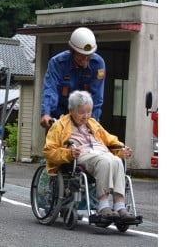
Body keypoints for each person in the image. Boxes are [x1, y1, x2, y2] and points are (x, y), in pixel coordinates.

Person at [43, 90, 135, 220]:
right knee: (105, 161)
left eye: (89, 112)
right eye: (81, 112)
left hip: (101, 151)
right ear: (71, 110)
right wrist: (69, 153)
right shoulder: (60, 125)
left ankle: (120, 206)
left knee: (117, 161)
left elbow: (110, 140)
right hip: (81, 153)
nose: (86, 116)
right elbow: (49, 151)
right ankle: (103, 206)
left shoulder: (93, 123)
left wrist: (122, 149)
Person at [40, 27, 106, 128]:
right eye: (81, 56)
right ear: (72, 51)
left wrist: (93, 120)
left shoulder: (98, 64)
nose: (85, 60)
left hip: (85, 117)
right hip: (60, 115)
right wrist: (46, 113)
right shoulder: (57, 63)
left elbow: (97, 97)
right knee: (56, 142)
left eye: (88, 56)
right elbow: (50, 89)